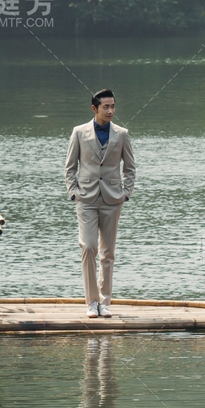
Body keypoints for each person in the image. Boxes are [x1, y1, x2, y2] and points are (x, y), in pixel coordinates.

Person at [64, 89, 136, 319]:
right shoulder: (79, 132)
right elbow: (70, 167)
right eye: (106, 107)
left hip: (113, 199)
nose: (111, 110)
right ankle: (91, 302)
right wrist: (73, 193)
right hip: (85, 198)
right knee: (88, 247)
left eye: (113, 106)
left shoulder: (122, 134)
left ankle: (104, 302)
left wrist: (126, 193)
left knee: (107, 253)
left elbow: (130, 168)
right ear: (94, 108)